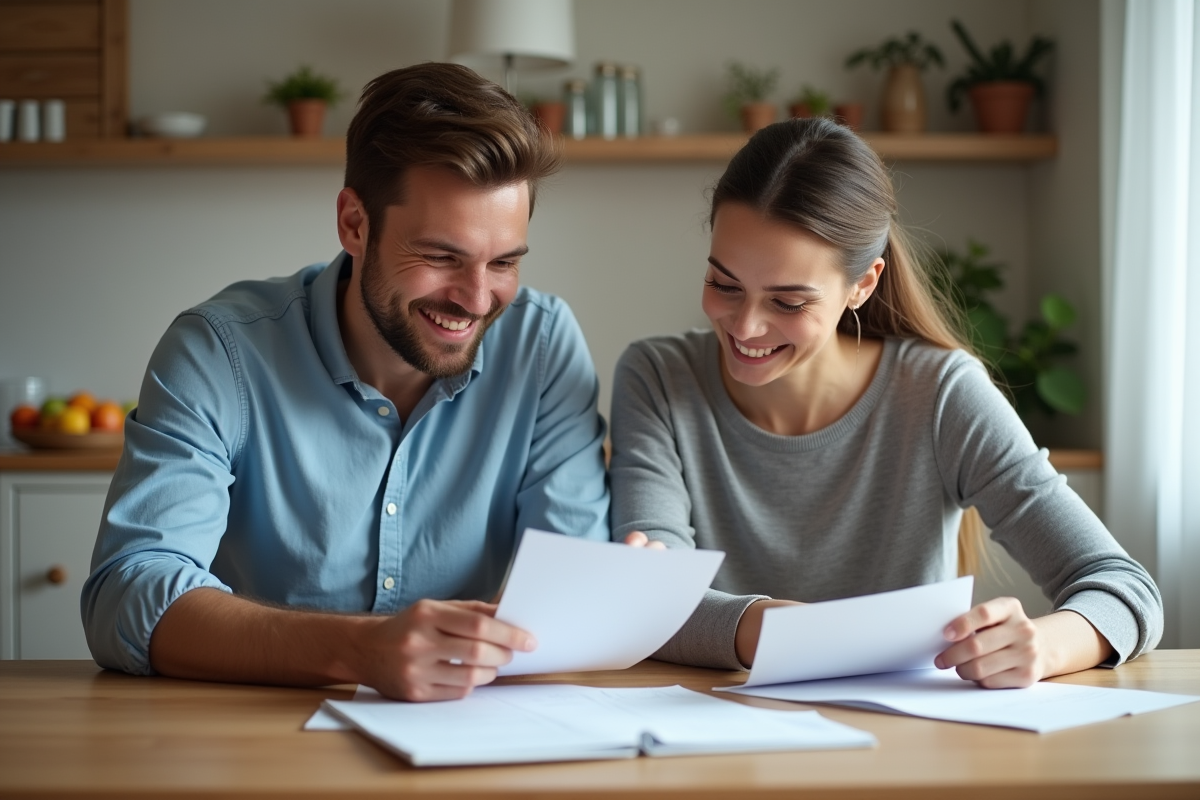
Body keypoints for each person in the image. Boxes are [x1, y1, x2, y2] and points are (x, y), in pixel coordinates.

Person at [81, 63, 610, 702]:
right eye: (440, 257)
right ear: (355, 224)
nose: (476, 299)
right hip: (253, 733)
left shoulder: (542, 346)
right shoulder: (219, 351)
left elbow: (569, 588)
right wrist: (360, 650)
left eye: (503, 263)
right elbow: (126, 596)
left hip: (469, 732)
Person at [612, 117, 1162, 687]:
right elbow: (650, 601)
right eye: (724, 285)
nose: (746, 326)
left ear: (863, 284)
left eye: (788, 302)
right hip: (713, 727)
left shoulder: (941, 393)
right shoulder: (658, 378)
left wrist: (1044, 647)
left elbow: (1126, 590)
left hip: (908, 736)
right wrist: (792, 629)